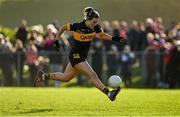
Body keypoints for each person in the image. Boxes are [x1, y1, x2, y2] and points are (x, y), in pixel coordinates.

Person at [33, 7, 124, 101]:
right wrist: (56, 40)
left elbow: (102, 35)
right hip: (76, 55)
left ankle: (42, 76)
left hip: (82, 57)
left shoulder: (96, 27)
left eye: (97, 22)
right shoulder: (78, 26)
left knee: (65, 78)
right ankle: (108, 93)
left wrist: (114, 38)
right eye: (94, 22)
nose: (96, 24)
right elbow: (63, 27)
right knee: (92, 75)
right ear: (88, 20)